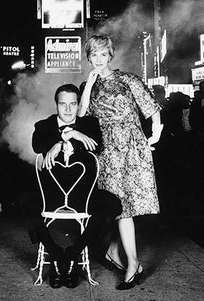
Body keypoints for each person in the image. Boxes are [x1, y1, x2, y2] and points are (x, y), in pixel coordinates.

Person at [78, 34, 163, 290]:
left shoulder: (128, 79)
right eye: (94, 54)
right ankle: (119, 256)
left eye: (103, 54)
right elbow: (81, 117)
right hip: (108, 152)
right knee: (118, 206)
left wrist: (154, 133)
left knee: (126, 206)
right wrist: (90, 86)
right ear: (89, 57)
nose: (99, 59)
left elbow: (152, 107)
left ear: (110, 55)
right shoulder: (90, 85)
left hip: (133, 148)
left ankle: (130, 262)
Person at [23, 84, 122, 289]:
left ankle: (74, 254)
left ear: (78, 105)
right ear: (56, 105)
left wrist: (73, 135)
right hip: (51, 194)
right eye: (63, 104)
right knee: (22, 201)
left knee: (113, 205)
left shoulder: (90, 124)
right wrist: (62, 138)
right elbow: (36, 145)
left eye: (73, 104)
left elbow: (98, 146)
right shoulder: (44, 125)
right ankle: (57, 254)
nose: (68, 110)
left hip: (82, 195)